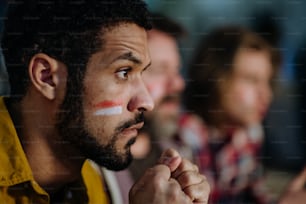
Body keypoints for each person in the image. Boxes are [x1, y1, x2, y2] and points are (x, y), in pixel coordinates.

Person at [0, 1, 210, 204]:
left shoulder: (89, 185)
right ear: (47, 77)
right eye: (123, 72)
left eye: (143, 72)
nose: (146, 102)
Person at [180, 26, 281, 203]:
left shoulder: (250, 133)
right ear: (215, 78)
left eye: (267, 81)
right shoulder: (183, 136)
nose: (266, 94)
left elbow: (254, 192)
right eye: (251, 79)